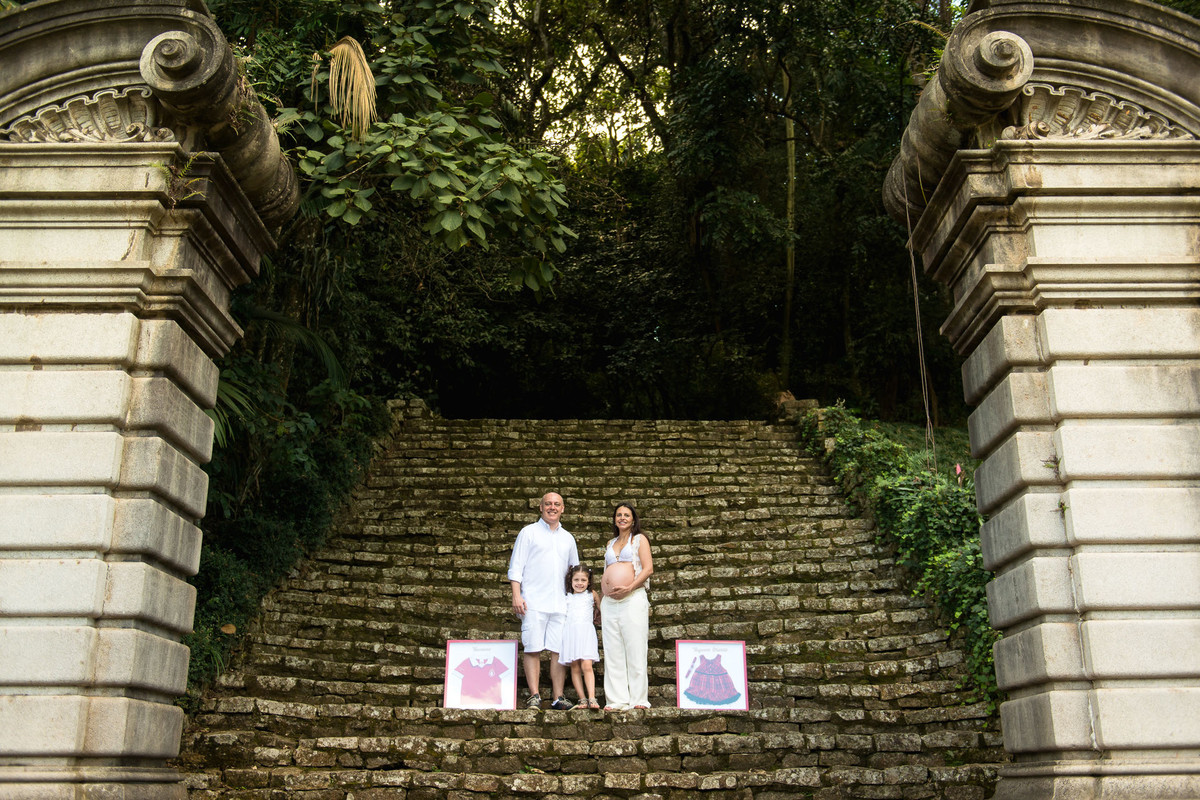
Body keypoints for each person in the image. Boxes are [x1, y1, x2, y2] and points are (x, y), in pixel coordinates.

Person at [507, 491, 579, 710]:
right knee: (533, 647)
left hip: (560, 603)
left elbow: (575, 572)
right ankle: (535, 695)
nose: (552, 507)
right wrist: (516, 594)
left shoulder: (568, 538)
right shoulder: (528, 533)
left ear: (563, 508)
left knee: (558, 650)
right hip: (533, 601)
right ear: (540, 507)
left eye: (557, 504)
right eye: (548, 503)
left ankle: (558, 697)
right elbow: (516, 566)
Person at [600, 501, 654, 710]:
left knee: (635, 647)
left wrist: (629, 587)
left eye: (626, 515)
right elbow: (607, 571)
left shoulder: (640, 540)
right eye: (619, 515)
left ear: (633, 520)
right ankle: (616, 699)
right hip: (610, 603)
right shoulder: (609, 543)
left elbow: (648, 569)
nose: (622, 518)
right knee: (613, 651)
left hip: (632, 598)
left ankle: (639, 699)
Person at [559, 564, 601, 709]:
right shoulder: (567, 597)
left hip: (586, 632)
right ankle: (582, 698)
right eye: (576, 579)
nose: (579, 583)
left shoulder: (592, 595)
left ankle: (592, 697)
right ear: (570, 580)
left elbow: (602, 609)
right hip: (571, 633)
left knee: (587, 665)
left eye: (583, 580)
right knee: (575, 666)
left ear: (589, 581)